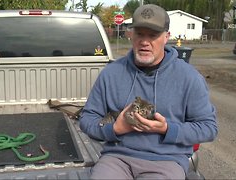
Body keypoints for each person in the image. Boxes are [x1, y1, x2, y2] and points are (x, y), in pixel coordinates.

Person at [79, 4, 218, 179]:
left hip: (167, 160)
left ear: (166, 37)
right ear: (130, 34)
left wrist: (167, 129)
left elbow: (208, 128)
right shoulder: (111, 73)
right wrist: (114, 129)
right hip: (117, 159)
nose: (145, 42)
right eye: (139, 34)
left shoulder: (189, 78)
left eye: (153, 35)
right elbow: (87, 119)